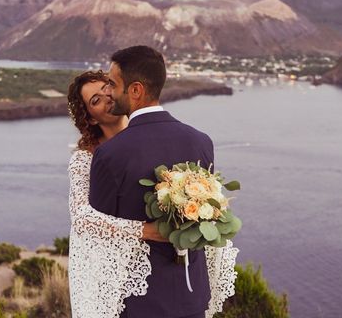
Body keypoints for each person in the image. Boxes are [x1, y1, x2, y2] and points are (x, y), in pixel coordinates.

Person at [67, 58, 238, 318]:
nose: (107, 97)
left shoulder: (162, 138)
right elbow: (82, 218)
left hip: (178, 282)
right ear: (89, 118)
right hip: (123, 276)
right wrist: (145, 230)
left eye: (107, 88)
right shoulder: (86, 158)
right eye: (96, 100)